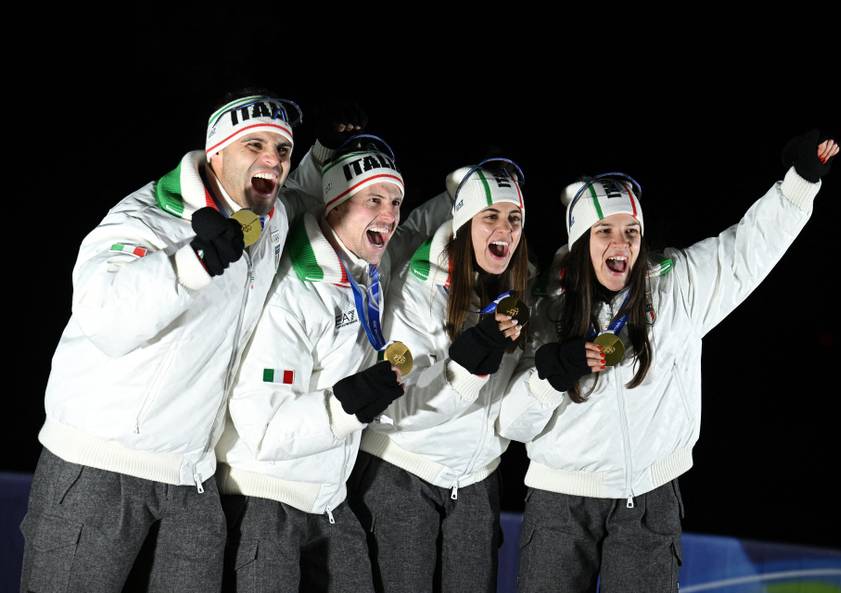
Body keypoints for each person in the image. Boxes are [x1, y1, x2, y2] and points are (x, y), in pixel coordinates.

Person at [497, 130, 840, 593]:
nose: (621, 243)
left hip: (650, 499)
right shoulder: (541, 307)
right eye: (605, 231)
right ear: (580, 240)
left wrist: (799, 183)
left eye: (631, 231)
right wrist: (549, 375)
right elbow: (510, 424)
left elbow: (744, 252)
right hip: (561, 501)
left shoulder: (675, 286)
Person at [19, 92, 320, 592]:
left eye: (282, 150)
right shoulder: (144, 219)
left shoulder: (270, 219)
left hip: (191, 476)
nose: (274, 159)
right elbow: (105, 317)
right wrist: (190, 262)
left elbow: (305, 196)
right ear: (216, 153)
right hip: (100, 465)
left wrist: (326, 152)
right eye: (255, 145)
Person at [215, 134, 452, 592]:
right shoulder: (292, 292)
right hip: (265, 498)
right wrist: (349, 404)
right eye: (374, 200)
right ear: (337, 206)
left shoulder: (368, 265)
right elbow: (262, 429)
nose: (390, 214)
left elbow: (426, 225)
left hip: (330, 500)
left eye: (396, 200)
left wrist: (475, 192)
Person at [350, 159, 530, 593]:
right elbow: (395, 411)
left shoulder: (520, 287)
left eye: (514, 218)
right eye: (490, 216)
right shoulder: (417, 287)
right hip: (402, 475)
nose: (503, 229)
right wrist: (467, 367)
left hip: (476, 484)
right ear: (465, 220)